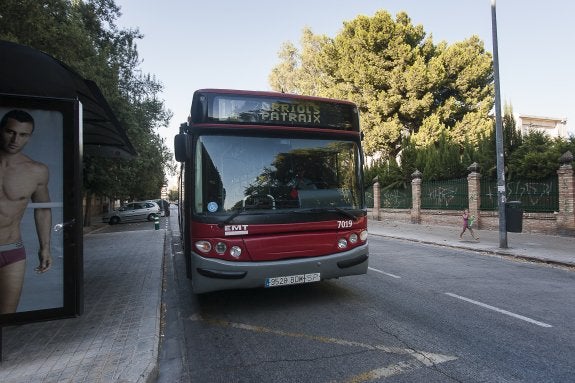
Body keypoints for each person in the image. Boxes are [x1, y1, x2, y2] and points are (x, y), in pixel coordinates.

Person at [0, 109, 52, 314]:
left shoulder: (36, 170)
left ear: (29, 136)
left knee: (7, 318)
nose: (15, 139)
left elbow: (43, 209)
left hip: (12, 251)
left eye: (23, 135)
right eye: (10, 132)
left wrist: (45, 247)